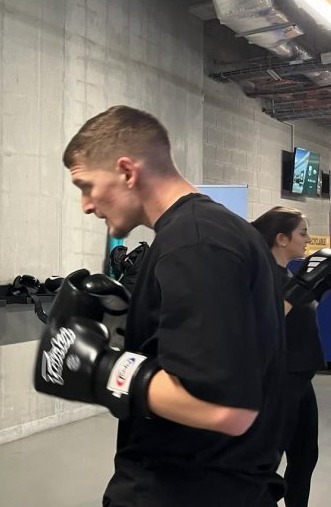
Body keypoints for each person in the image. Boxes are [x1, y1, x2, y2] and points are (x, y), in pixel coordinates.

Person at [34, 105, 286, 505]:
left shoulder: (194, 243)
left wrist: (100, 368)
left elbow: (227, 409)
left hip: (185, 489)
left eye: (86, 186)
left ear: (127, 172)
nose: (85, 205)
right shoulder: (215, 231)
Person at [252, 206, 324, 507]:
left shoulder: (288, 275)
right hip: (280, 380)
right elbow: (266, 321)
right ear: (282, 238)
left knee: (305, 458)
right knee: (267, 460)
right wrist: (302, 288)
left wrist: (315, 287)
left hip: (301, 378)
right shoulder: (264, 276)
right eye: (303, 233)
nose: (308, 239)